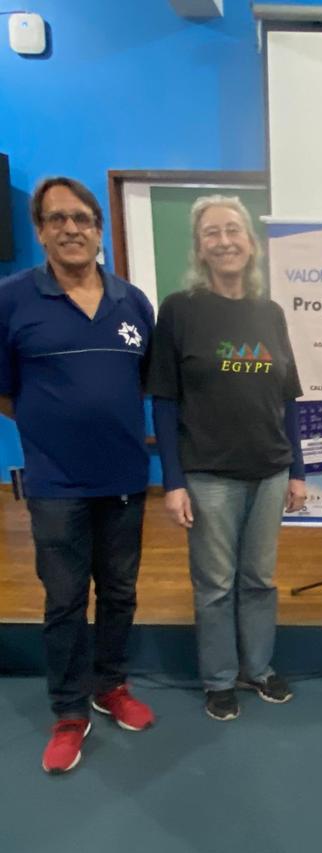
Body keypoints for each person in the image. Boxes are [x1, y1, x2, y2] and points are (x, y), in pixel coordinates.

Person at [0, 176, 156, 774]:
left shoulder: (132, 302)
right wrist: (51, 426)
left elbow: (140, 383)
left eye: (82, 219)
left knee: (119, 592)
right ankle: (69, 711)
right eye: (57, 219)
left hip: (124, 479)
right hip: (56, 485)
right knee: (65, 601)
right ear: (40, 232)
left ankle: (110, 685)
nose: (71, 229)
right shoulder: (12, 300)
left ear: (98, 229)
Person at [147, 195, 306, 722]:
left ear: (250, 243)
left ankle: (257, 669)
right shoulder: (179, 310)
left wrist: (298, 470)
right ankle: (218, 679)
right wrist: (172, 480)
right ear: (199, 248)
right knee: (215, 585)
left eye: (233, 230)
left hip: (270, 471)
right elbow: (164, 400)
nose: (224, 241)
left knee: (259, 580)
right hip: (208, 475)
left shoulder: (270, 314)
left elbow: (288, 398)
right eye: (212, 233)